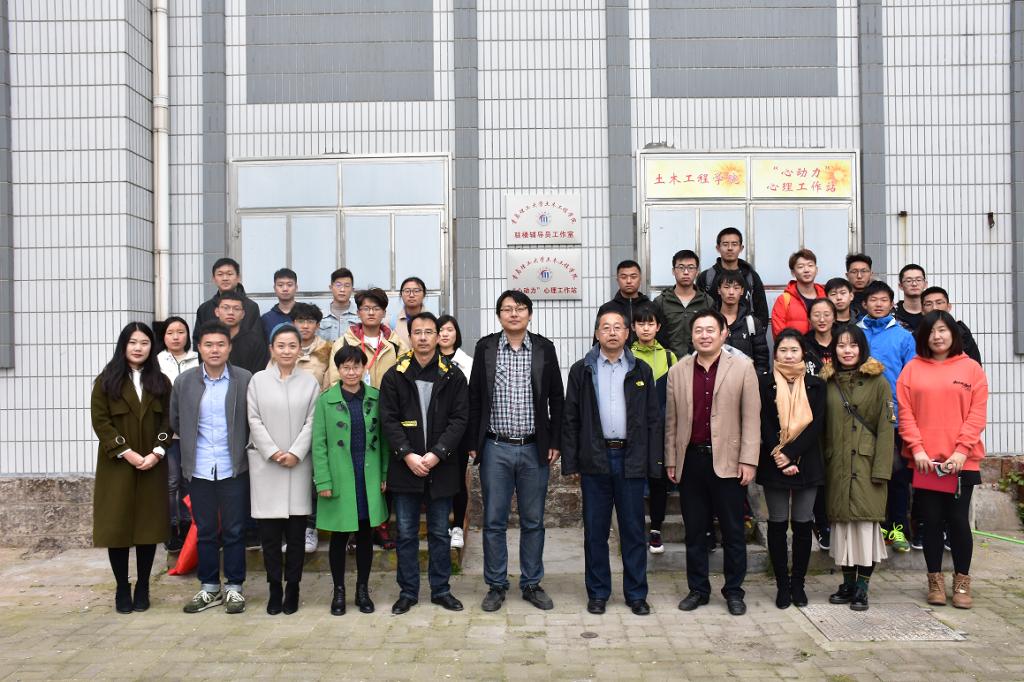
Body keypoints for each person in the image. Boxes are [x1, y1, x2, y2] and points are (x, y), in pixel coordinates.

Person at [467, 290, 564, 612]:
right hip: (495, 447)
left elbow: (557, 398)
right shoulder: (485, 347)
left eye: (520, 309)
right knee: (494, 520)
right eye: (507, 309)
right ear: (499, 315)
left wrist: (555, 441)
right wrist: (473, 443)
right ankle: (496, 585)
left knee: (533, 520)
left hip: (534, 448)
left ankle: (532, 583)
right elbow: (474, 397)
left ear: (529, 314)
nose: (514, 314)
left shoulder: (544, 348)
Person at [562, 309, 662, 616]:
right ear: (597, 334)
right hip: (595, 458)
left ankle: (636, 594)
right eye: (606, 327)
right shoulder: (582, 370)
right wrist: (572, 463)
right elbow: (570, 418)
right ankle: (598, 593)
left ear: (627, 333)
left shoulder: (641, 370)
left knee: (633, 530)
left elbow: (653, 419)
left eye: (618, 327)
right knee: (595, 531)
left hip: (631, 459)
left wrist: (653, 462)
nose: (612, 332)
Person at [665, 310, 760, 616]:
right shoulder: (678, 371)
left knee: (733, 531)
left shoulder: (743, 367)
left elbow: (751, 418)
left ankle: (734, 591)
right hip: (692, 460)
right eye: (698, 330)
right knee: (694, 531)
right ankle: (698, 589)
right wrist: (671, 459)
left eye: (710, 330)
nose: (704, 335)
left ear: (723, 334)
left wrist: (749, 460)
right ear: (692, 335)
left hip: (729, 462)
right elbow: (672, 421)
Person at [380, 312, 469, 615]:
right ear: (410, 336)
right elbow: (389, 420)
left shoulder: (453, 374)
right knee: (405, 533)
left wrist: (437, 453)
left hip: (441, 467)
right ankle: (408, 592)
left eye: (429, 332)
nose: (422, 338)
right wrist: (407, 454)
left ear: (438, 336)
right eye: (417, 332)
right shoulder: (395, 374)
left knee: (440, 533)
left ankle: (441, 590)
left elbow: (460, 419)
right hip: (405, 466)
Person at [898, 311, 988, 609]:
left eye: (942, 330)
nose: (937, 336)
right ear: (923, 337)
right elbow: (905, 413)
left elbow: (977, 414)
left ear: (953, 333)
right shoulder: (912, 369)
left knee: (959, 521)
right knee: (932, 521)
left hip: (963, 461)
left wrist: (962, 451)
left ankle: (962, 582)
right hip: (926, 463)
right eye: (931, 331)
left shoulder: (971, 369)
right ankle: (934, 581)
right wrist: (917, 449)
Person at [170, 321, 253, 614]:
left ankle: (234, 587)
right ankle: (209, 587)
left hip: (234, 467)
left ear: (229, 347)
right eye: (208, 345)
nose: (214, 350)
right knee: (205, 530)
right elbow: (176, 420)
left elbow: (252, 419)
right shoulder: (185, 382)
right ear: (199, 348)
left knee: (234, 529)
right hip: (200, 467)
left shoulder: (244, 379)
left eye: (220, 344)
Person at [91, 322, 172, 613]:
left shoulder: (161, 382)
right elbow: (101, 421)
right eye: (133, 342)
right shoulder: (106, 381)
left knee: (148, 528)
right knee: (118, 527)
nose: (138, 348)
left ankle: (144, 586)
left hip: (152, 463)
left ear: (152, 347)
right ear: (123, 345)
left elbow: (168, 420)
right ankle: (122, 587)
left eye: (145, 343)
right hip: (117, 465)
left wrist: (157, 452)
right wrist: (126, 453)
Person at [246, 323, 319, 615]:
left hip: (298, 466)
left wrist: (296, 452)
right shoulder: (258, 381)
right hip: (267, 466)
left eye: (292, 346)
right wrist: (274, 452)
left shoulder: (310, 382)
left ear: (300, 350)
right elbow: (253, 419)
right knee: (270, 537)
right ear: (271, 349)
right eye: (281, 346)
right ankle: (274, 587)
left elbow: (312, 422)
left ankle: (294, 587)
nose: (287, 351)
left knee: (297, 535)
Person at [820, 324, 893, 612]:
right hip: (837, 466)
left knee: (864, 529)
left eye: (853, 345)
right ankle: (847, 583)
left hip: (866, 466)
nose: (847, 351)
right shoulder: (827, 382)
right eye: (841, 345)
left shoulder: (879, 382)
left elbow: (886, 429)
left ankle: (862, 587)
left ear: (862, 348)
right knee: (842, 531)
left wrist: (882, 470)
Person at [313, 344, 389, 616]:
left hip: (368, 476)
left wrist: (383, 475)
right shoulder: (325, 401)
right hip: (339, 478)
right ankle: (339, 591)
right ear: (338, 369)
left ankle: (362, 590)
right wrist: (323, 481)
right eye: (345, 367)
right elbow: (319, 444)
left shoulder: (375, 398)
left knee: (366, 535)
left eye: (356, 366)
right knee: (339, 536)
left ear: (364, 367)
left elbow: (385, 442)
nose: (351, 372)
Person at [756, 329, 826, 609]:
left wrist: (792, 455)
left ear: (803, 353)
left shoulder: (816, 384)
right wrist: (780, 455)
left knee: (802, 524)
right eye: (783, 350)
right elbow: (763, 421)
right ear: (775, 353)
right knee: (776, 523)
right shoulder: (764, 383)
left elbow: (816, 425)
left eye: (794, 350)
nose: (788, 355)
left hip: (807, 462)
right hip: (774, 461)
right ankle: (782, 585)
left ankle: (798, 583)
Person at [857, 280, 916, 552]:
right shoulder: (855, 333)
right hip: (860, 417)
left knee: (897, 474)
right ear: (864, 304)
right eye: (873, 300)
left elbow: (912, 378)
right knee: (867, 474)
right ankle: (876, 527)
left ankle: (898, 528)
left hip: (895, 417)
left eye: (884, 300)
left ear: (892, 304)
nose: (878, 304)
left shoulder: (903, 336)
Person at [629, 302, 678, 554]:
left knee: (658, 481)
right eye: (641, 323)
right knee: (635, 482)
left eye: (650, 323)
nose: (646, 328)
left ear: (658, 326)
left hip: (661, 428)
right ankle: (635, 530)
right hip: (633, 430)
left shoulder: (669, 357)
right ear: (633, 327)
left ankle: (656, 529)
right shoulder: (627, 356)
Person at [156, 316, 200, 552]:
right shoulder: (156, 362)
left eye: (181, 332)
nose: (176, 337)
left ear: (188, 335)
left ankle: (186, 524)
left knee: (187, 481)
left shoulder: (198, 359)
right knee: (171, 481)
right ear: (163, 336)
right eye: (170, 332)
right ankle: (170, 527)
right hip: (168, 433)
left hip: (193, 432)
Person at [437, 314, 473, 550]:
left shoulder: (467, 362)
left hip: (459, 431)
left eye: (449, 329)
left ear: (456, 333)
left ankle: (457, 526)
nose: (445, 334)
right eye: (440, 329)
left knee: (458, 479)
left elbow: (472, 401)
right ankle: (440, 526)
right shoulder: (426, 360)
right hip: (433, 432)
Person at [327, 287, 407, 389]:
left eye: (376, 308)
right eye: (366, 309)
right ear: (358, 313)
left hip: (388, 399)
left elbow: (405, 379)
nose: (371, 313)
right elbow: (335, 381)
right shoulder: (343, 343)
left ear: (384, 313)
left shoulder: (397, 344)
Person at [697, 227, 770, 327]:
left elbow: (762, 312)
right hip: (713, 332)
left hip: (746, 333)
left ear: (741, 248)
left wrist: (758, 333)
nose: (730, 248)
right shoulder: (706, 277)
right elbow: (698, 310)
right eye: (725, 244)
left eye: (734, 244)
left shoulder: (751, 276)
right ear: (718, 248)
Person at [653, 249, 712, 358]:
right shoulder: (661, 302)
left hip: (700, 361)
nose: (686, 272)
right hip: (668, 363)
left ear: (697, 271)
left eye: (691, 267)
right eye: (681, 267)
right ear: (673, 271)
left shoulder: (707, 302)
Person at [193, 257, 263, 345]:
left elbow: (257, 340)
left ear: (238, 277)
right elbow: (198, 340)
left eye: (229, 274)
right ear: (213, 278)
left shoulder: (251, 307)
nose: (225, 278)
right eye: (220, 274)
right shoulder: (204, 309)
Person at [717, 270, 769, 374]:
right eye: (726, 287)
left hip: (746, 380)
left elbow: (762, 361)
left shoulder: (752, 323)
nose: (731, 292)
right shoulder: (709, 321)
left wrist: (753, 380)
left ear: (742, 291)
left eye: (736, 288)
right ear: (719, 290)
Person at [771, 249, 826, 336]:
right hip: (794, 345)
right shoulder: (783, 300)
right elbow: (779, 334)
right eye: (801, 267)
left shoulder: (826, 296)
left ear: (816, 270)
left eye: (810, 265)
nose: (806, 270)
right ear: (793, 273)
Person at [921, 286, 982, 364]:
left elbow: (974, 362)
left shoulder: (962, 332)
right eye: (928, 304)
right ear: (922, 310)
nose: (934, 308)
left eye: (939, 303)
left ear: (949, 307)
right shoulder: (917, 334)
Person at [214, 290, 269, 375]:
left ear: (243, 314)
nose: (231, 312)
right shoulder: (210, 339)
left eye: (236, 309)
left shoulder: (255, 341)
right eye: (226, 308)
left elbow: (258, 374)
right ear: (217, 312)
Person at [595, 260, 650, 344]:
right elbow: (598, 342)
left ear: (640, 279)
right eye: (624, 277)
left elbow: (661, 340)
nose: (629, 281)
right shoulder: (606, 309)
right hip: (616, 352)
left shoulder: (652, 307)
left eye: (633, 277)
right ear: (617, 279)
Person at [285, 302, 333, 392]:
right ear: (293, 324)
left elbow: (330, 384)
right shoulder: (283, 350)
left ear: (317, 325)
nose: (305, 326)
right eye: (300, 321)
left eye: (310, 322)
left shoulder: (327, 350)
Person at [319, 268, 360, 343]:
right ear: (331, 287)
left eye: (347, 285)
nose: (342, 289)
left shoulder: (360, 315)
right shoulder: (320, 316)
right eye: (338, 285)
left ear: (352, 289)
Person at [260, 268, 299, 339]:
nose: (285, 289)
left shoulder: (306, 314)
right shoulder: (266, 319)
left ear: (296, 287)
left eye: (289, 285)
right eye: (280, 285)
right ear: (274, 288)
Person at [804, 298, 836, 376]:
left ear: (834, 318)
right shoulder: (803, 345)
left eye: (826, 315)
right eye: (816, 315)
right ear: (809, 319)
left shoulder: (841, 342)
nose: (822, 319)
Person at [392, 276, 427, 347]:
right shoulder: (391, 322)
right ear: (401, 294)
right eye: (407, 291)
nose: (411, 295)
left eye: (416, 291)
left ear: (424, 294)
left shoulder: (435, 320)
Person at [895, 264, 928, 332]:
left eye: (918, 280)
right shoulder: (892, 314)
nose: (914, 284)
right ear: (900, 286)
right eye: (909, 281)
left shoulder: (931, 312)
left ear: (925, 284)